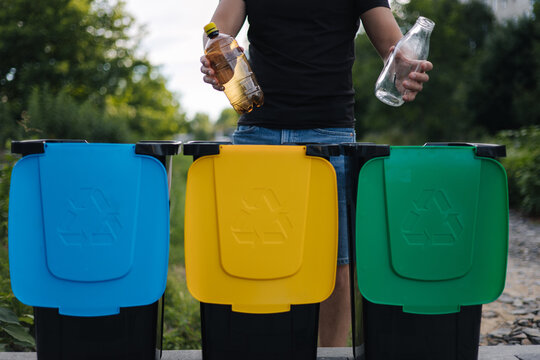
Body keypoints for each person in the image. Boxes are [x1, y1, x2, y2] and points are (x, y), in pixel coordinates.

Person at [200, 0, 433, 347]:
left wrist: (402, 63)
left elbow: (391, 43)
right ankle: (261, 348)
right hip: (257, 132)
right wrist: (212, 57)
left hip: (330, 134)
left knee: (336, 264)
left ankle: (331, 354)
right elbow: (219, 30)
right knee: (253, 253)